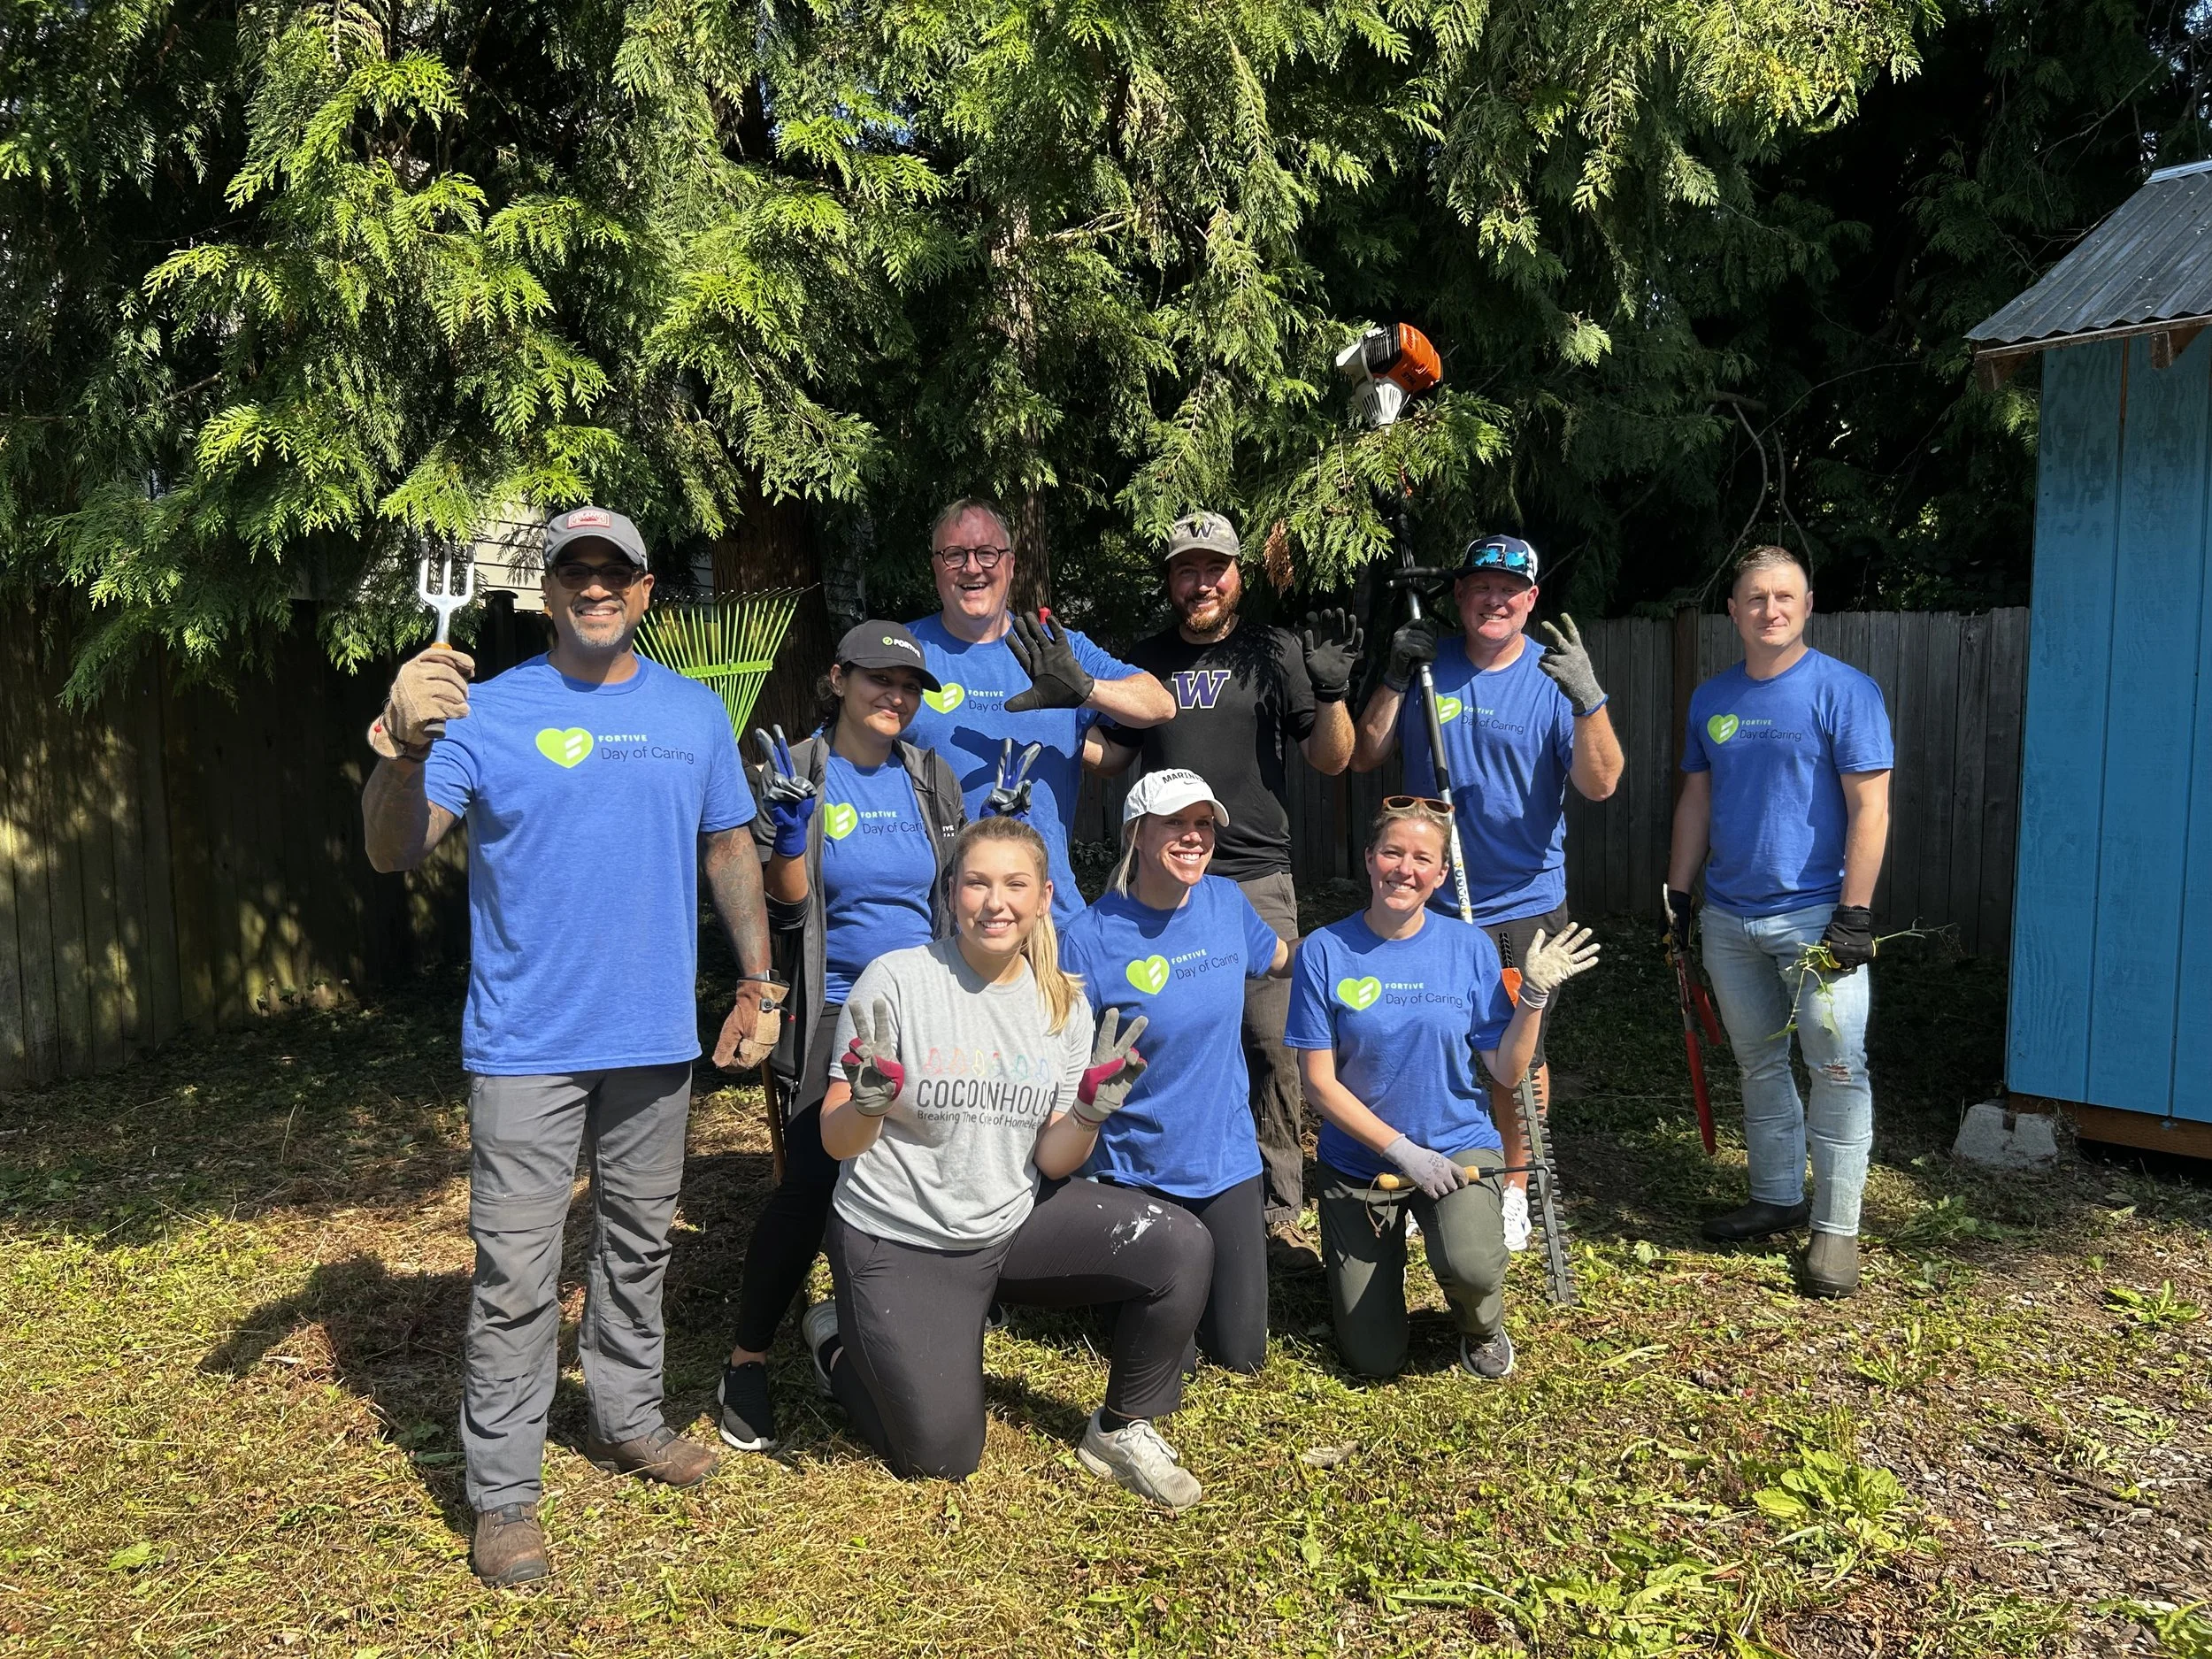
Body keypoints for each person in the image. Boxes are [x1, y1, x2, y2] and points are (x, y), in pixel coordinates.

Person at [361, 505, 777, 1587]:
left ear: (646, 593)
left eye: (616, 573)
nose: (596, 588)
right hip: (526, 1045)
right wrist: (405, 745)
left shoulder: (693, 715)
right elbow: (392, 848)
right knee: (517, 1271)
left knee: (638, 1247)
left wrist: (759, 980)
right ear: (546, 594)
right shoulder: (480, 713)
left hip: (652, 1040)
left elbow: (728, 847)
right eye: (574, 572)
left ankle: (627, 1416)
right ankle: (502, 1490)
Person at [800, 816, 1217, 1507]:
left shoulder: (1062, 1003)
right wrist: (868, 1104)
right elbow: (837, 1141)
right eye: (977, 882)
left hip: (1007, 1221)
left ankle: (1121, 1427)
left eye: (1015, 883)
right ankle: (837, 1342)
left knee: (1179, 1246)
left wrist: (1088, 1112)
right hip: (899, 1236)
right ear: (952, 890)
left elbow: (1054, 1161)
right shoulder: (897, 981)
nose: (996, 902)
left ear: (1044, 895)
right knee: (941, 1458)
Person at [715, 620, 966, 1455]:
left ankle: (888, 1316)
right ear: (838, 678)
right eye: (876, 679)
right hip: (839, 1010)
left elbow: (955, 900)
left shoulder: (930, 779)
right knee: (814, 1176)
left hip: (925, 1007)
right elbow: (783, 906)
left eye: (907, 686)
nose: (893, 696)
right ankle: (747, 1357)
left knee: (922, 1164)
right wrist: (789, 835)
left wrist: (995, 839)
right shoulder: (800, 773)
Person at [1090, 511, 1357, 1255]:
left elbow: (1334, 760)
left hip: (1255, 876)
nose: (1201, 582)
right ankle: (1152, 1196)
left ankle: (1275, 1213)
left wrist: (1332, 693)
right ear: (1171, 580)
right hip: (1163, 882)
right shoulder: (1145, 659)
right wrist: (1057, 711)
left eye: (1215, 567)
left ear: (1239, 572)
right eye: (1186, 569)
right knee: (1163, 1039)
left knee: (1273, 1046)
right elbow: (1111, 759)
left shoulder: (1276, 651)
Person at [1351, 534, 1623, 1240]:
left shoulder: (1551, 678)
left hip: (1523, 906)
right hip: (1428, 902)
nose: (1494, 600)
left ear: (1530, 600)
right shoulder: (1426, 668)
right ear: (1461, 597)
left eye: (1510, 589)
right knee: (1425, 1039)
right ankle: (1429, 1177)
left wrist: (1590, 700)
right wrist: (1390, 676)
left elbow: (1602, 782)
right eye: (1480, 587)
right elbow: (1364, 753)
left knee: (1518, 1056)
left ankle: (1511, 1184)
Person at [1286, 797, 1599, 1381]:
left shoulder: (1470, 948)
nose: (1404, 868)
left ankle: (1480, 1323)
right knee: (1373, 1357)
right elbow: (1319, 1085)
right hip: (1361, 1165)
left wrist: (1530, 998)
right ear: (1369, 859)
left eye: (1421, 858)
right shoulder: (1325, 952)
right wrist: (1402, 1150)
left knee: (1474, 1264)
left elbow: (1507, 1072)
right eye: (1392, 852)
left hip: (1459, 1149)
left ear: (1440, 875)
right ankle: (1381, 1289)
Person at [1666, 545, 1892, 1298]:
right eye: (1755, 598)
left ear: (1807, 603)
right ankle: (1776, 1194)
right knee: (1758, 1062)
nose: (1770, 609)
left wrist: (1854, 914)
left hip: (1818, 918)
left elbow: (1871, 806)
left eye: (1784, 596)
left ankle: (1837, 1229)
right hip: (1730, 919)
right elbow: (1697, 801)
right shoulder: (1711, 699)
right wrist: (1678, 893)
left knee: (1834, 1067)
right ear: (1733, 611)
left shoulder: (1845, 692)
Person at [1058, 768, 1293, 1374]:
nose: (1193, 837)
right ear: (1137, 832)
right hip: (1136, 1169)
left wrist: (1376, 944)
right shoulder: (1087, 938)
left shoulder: (1226, 901)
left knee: (1242, 1354)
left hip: (1225, 1158)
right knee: (1171, 1362)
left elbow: (1285, 958)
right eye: (1176, 823)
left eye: (1202, 823)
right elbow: (1057, 1058)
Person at [902, 497, 1176, 931]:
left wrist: (1084, 690)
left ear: (1010, 564)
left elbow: (1159, 704)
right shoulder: (906, 653)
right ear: (936, 566)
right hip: (938, 920)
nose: (972, 568)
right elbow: (846, 749)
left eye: (987, 553)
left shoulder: (1053, 649)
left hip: (1047, 921)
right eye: (955, 555)